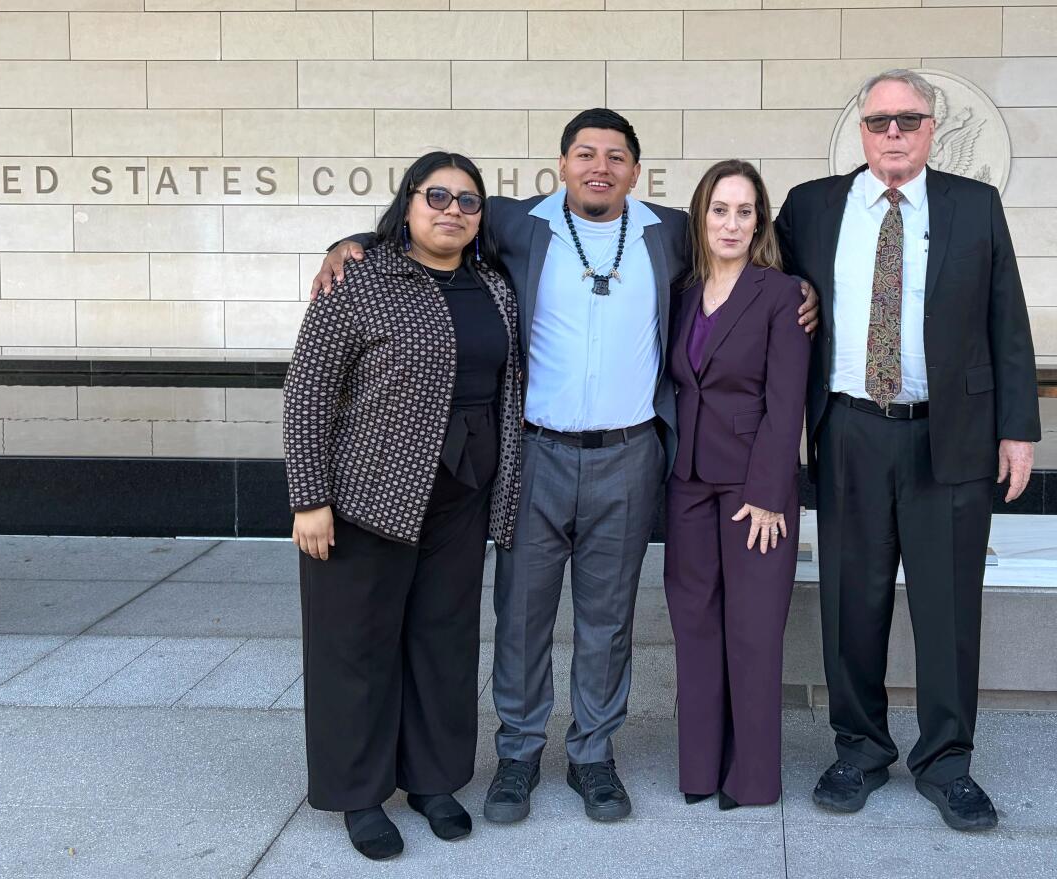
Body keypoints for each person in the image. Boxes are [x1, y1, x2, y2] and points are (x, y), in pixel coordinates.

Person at [313, 109, 819, 825]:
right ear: (562, 163)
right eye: (586, 153)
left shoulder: (670, 231)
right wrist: (353, 242)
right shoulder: (518, 224)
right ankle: (518, 754)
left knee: (608, 617)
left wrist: (804, 288)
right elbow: (431, 224)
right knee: (521, 611)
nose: (600, 166)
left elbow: (744, 248)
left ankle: (593, 754)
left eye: (616, 156)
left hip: (630, 452)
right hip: (534, 451)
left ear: (637, 171)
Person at [775, 69, 1040, 831]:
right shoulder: (812, 207)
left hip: (949, 434)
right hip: (850, 429)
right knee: (851, 601)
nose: (893, 132)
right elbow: (767, 289)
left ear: (931, 128)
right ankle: (859, 748)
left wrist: (1017, 428)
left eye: (909, 120)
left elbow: (1008, 321)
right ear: (862, 129)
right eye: (881, 120)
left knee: (948, 605)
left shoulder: (973, 205)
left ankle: (947, 759)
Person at [283, 151, 522, 859]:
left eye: (468, 200)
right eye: (437, 195)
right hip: (366, 495)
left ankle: (433, 779)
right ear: (409, 203)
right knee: (354, 647)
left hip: (462, 493)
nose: (452, 209)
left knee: (444, 641)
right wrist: (310, 498)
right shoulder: (358, 277)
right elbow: (308, 390)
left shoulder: (495, 285)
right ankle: (359, 792)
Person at [664, 160, 810, 810]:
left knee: (752, 633)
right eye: (720, 209)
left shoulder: (781, 294)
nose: (731, 222)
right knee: (694, 627)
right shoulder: (682, 291)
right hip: (688, 482)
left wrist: (769, 491)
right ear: (701, 215)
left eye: (744, 211)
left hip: (755, 487)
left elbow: (787, 402)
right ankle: (699, 769)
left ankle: (751, 778)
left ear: (760, 221)